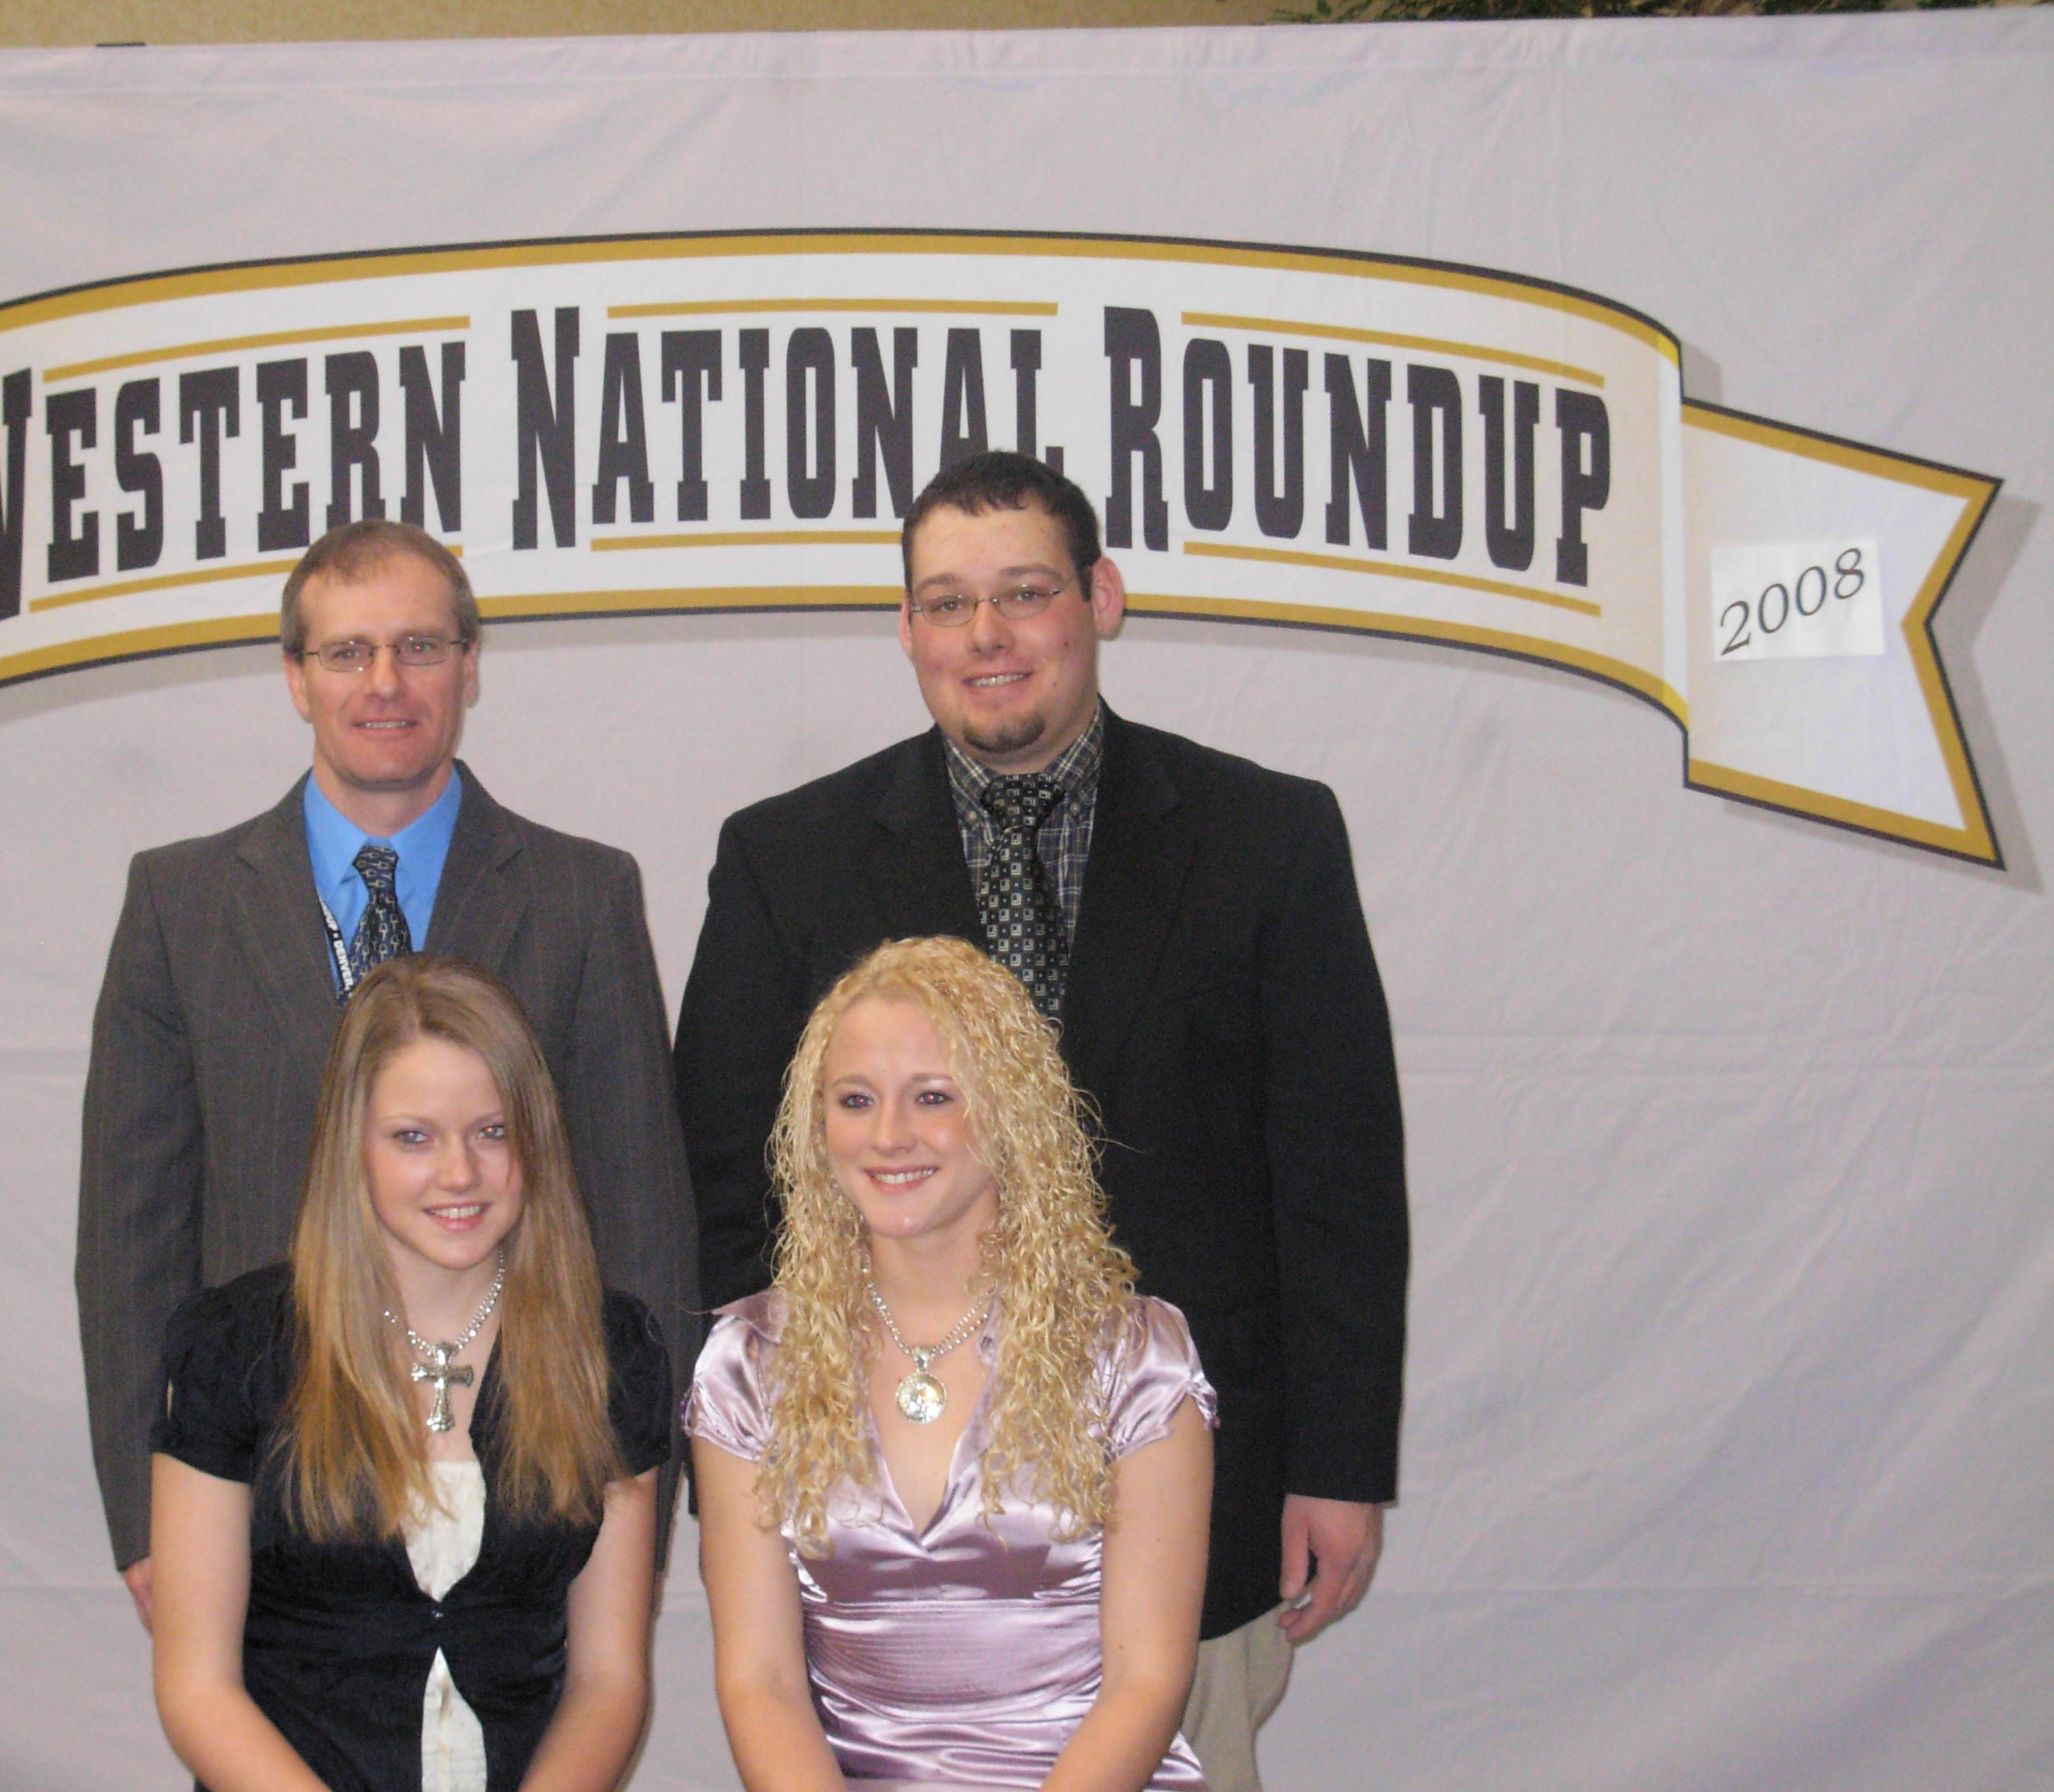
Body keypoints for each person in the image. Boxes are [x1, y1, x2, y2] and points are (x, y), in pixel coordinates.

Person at [674, 453, 1407, 1791]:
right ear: (905, 627)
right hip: (876, 1546)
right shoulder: (789, 856)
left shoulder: (1268, 835)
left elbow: (1337, 1174)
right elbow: (727, 1180)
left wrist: (1339, 1458)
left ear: (1101, 597)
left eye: (1023, 593)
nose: (986, 636)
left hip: (1194, 1496)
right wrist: (759, 1465)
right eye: (946, 603)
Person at [80, 520, 698, 1628]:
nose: (384, 682)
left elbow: (643, 1225)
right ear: (294, 677)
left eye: (419, 647)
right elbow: (131, 1241)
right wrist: (145, 1512)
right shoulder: (179, 907)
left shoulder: (583, 898)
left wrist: (634, 1504)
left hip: (528, 1496)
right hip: (255, 1490)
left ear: (469, 665)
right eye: (346, 652)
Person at [689, 936, 1216, 1792]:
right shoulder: (750, 1364)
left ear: (1010, 1112)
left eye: (933, 1097)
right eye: (855, 1100)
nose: (889, 1136)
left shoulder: (1133, 1358)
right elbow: (761, 1683)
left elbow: (1146, 1682)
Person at [150, 954, 670, 1792]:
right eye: (413, 1137)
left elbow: (609, 1680)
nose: (459, 1173)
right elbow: (195, 1687)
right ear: (350, 1146)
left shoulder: (611, 1353)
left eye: (492, 1131)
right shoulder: (234, 1346)